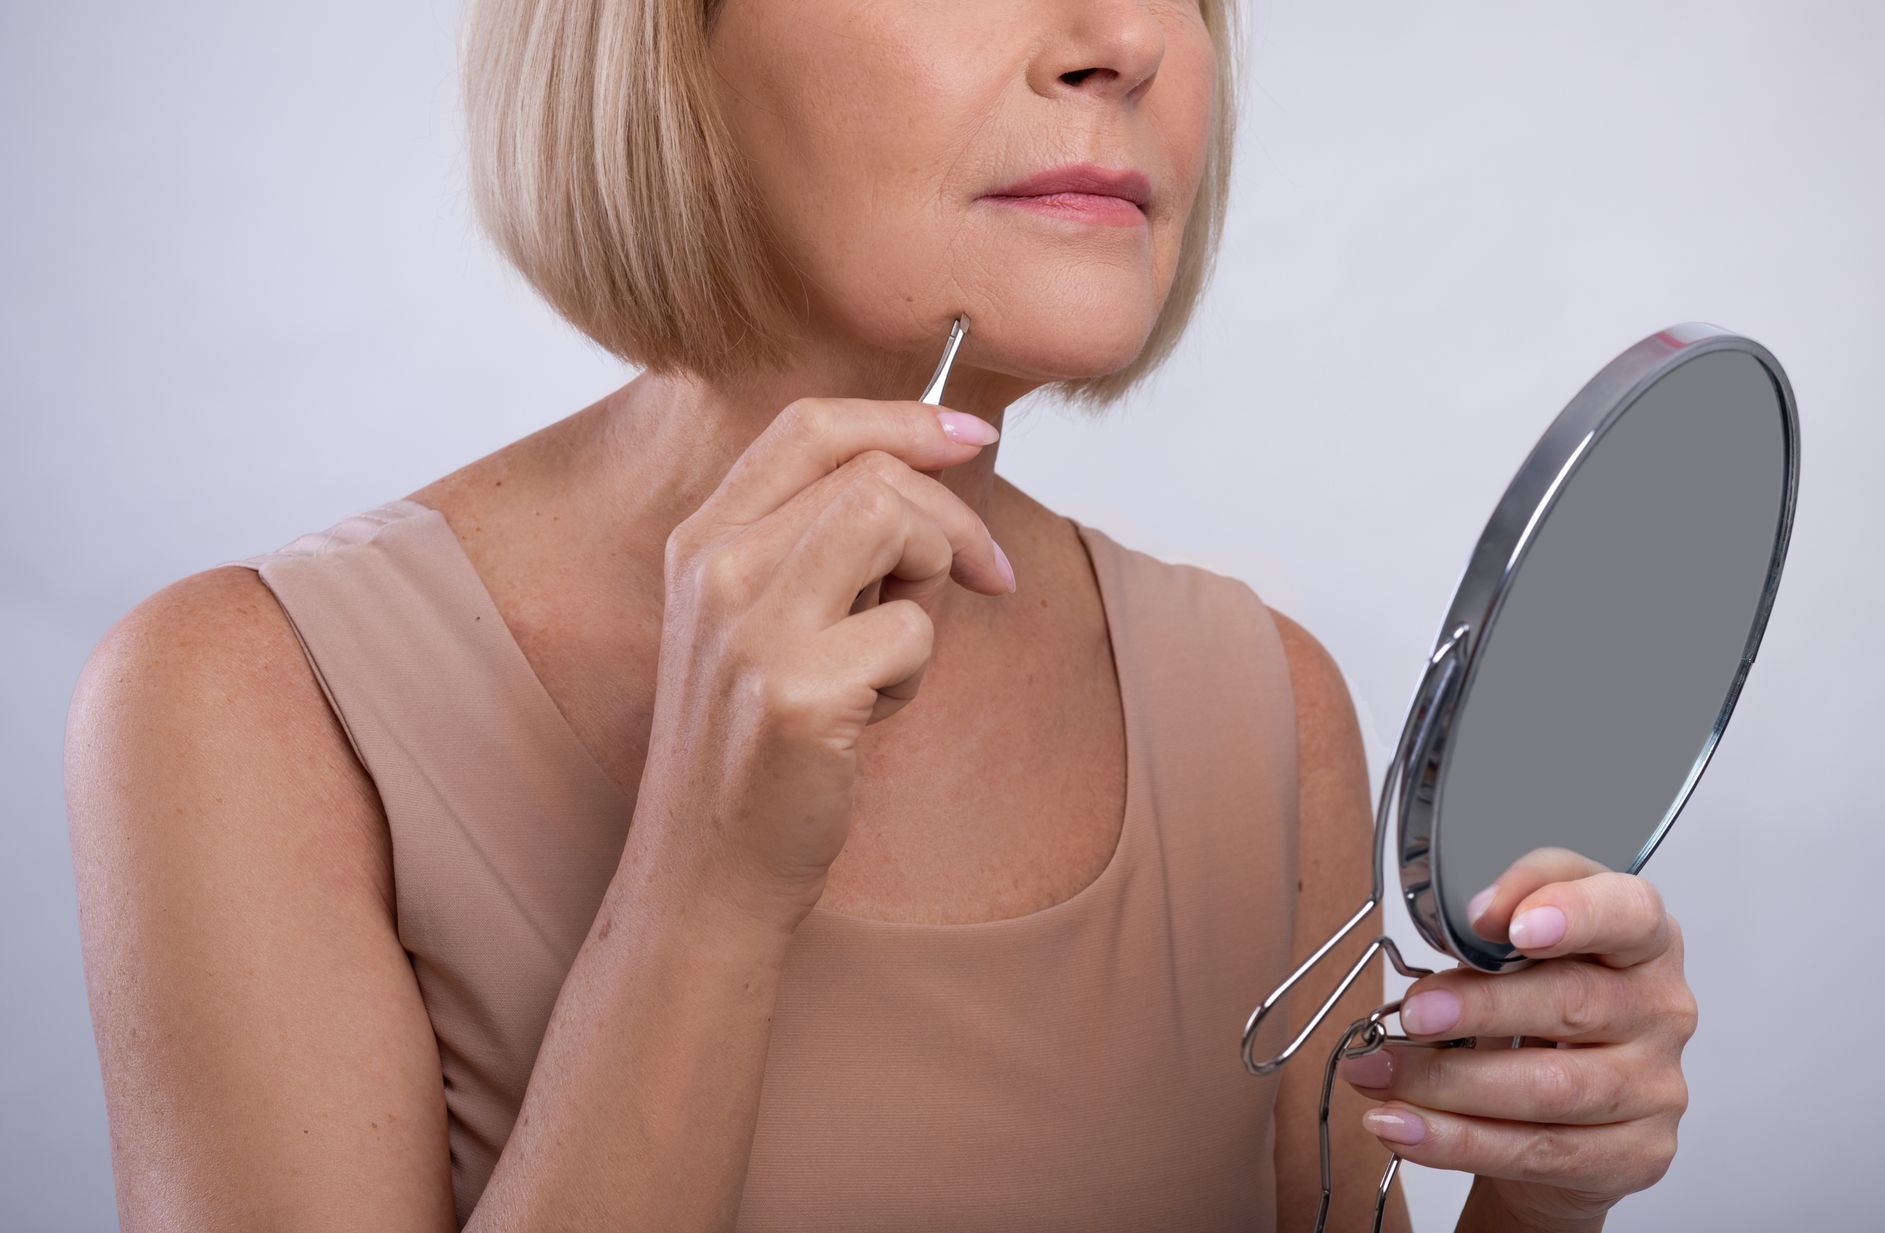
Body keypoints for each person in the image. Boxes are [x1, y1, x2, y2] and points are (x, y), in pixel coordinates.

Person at [62, 1, 1695, 1230]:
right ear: (665, 46)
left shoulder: (1266, 709)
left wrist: (1541, 1190)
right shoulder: (247, 705)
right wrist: (703, 878)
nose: (1126, 40)